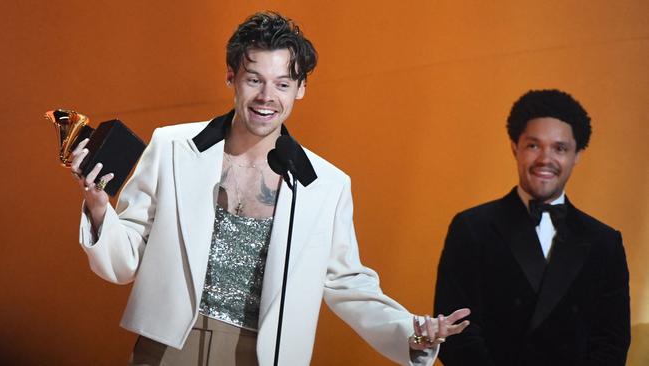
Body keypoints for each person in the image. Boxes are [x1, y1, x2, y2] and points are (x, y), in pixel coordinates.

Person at [69, 11, 469, 366]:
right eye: (254, 79)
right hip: (167, 348)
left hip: (263, 354)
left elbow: (348, 283)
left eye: (282, 83)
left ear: (301, 88)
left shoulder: (326, 185)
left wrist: (412, 331)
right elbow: (126, 260)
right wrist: (101, 209)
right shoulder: (172, 148)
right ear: (232, 77)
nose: (266, 97)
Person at [434, 89, 631, 365]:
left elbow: (611, 341)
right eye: (534, 145)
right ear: (515, 146)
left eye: (560, 148)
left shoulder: (605, 242)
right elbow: (456, 332)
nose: (545, 159)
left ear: (577, 155)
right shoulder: (471, 228)